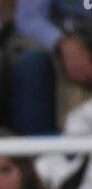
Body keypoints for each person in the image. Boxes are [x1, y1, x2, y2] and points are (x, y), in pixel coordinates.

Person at [12, 0, 92, 135]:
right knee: (32, 64)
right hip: (55, 46)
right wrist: (62, 42)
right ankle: (39, 149)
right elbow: (28, 18)